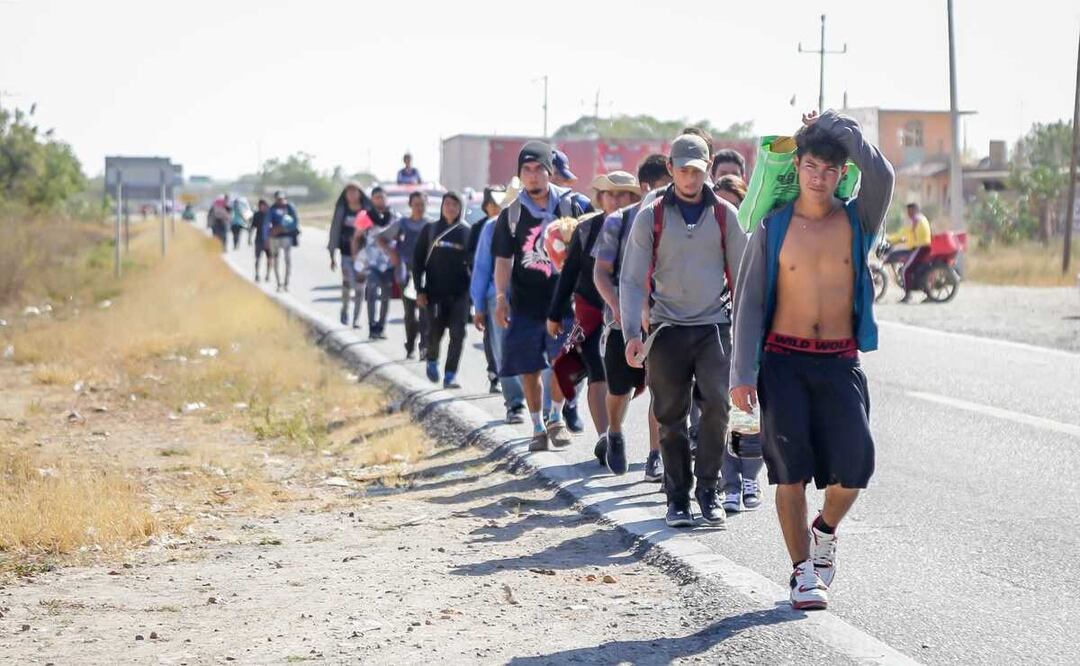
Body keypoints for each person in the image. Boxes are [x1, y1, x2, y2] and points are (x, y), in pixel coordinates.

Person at [729, 110, 895, 611]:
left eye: (830, 169)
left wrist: (841, 127)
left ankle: (824, 530)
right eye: (811, 166)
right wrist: (742, 373)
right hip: (784, 361)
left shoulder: (857, 219)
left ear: (842, 173)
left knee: (856, 466)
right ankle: (803, 572)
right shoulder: (774, 227)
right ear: (796, 167)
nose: (819, 177)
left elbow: (882, 176)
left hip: (839, 361)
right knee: (789, 474)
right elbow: (751, 299)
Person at [620, 134, 749, 528]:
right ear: (672, 169)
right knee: (670, 416)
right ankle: (677, 498)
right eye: (684, 169)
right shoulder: (652, 215)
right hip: (667, 329)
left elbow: (743, 279)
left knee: (717, 408)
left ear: (708, 169)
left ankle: (707, 492)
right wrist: (631, 332)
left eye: (698, 170)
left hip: (713, 327)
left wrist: (747, 337)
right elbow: (630, 279)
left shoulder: (726, 214)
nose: (691, 177)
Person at [492, 141, 591, 451]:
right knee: (529, 367)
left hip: (564, 304)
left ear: (550, 172)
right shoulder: (511, 214)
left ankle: (556, 416)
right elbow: (504, 260)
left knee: (567, 362)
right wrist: (500, 297)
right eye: (527, 170)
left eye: (539, 170)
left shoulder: (574, 206)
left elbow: (595, 244)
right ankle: (536, 427)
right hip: (524, 304)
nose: (533, 176)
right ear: (520, 174)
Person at [547, 172, 640, 467]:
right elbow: (570, 272)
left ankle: (614, 431)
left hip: (630, 312)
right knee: (596, 370)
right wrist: (554, 313)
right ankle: (604, 437)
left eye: (623, 194)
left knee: (624, 379)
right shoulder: (586, 229)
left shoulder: (642, 225)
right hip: (591, 312)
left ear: (634, 198)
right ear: (599, 197)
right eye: (609, 193)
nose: (616, 199)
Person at [593, 154, 670, 481]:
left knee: (660, 388)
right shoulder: (619, 222)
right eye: (662, 189)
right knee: (620, 389)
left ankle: (656, 455)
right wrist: (619, 307)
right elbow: (601, 273)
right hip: (620, 321)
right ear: (646, 188)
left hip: (660, 318)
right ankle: (614, 431)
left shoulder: (677, 221)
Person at [707, 174, 763, 513]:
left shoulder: (758, 237)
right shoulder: (708, 236)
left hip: (749, 334)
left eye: (734, 202)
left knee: (749, 412)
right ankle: (727, 482)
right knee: (719, 411)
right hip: (713, 330)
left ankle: (749, 476)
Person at [471, 187, 528, 419]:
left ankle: (544, 407)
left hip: (530, 297)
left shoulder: (538, 224)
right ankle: (515, 403)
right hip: (498, 297)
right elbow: (482, 266)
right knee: (503, 351)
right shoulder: (492, 226)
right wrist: (479, 304)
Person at [413, 192, 472, 389]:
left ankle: (450, 374)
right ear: (441, 206)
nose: (450, 208)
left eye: (455, 205)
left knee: (458, 334)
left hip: (460, 294)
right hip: (434, 293)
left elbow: (474, 264)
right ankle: (431, 359)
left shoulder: (466, 232)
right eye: (447, 204)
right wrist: (419, 290)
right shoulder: (430, 230)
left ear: (460, 208)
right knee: (434, 332)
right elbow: (417, 261)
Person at [379, 192, 431, 356]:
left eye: (422, 204)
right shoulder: (402, 224)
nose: (419, 208)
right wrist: (393, 254)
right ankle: (410, 345)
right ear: (410, 205)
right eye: (416, 204)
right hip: (406, 272)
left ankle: (424, 346)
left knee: (425, 312)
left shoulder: (430, 225)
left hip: (425, 273)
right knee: (410, 313)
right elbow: (381, 238)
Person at [354, 187, 399, 339]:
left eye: (382, 197)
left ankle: (381, 326)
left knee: (386, 296)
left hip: (388, 263)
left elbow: (400, 237)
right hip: (371, 262)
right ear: (372, 199)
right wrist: (356, 259)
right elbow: (356, 238)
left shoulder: (394, 216)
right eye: (376, 197)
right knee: (371, 293)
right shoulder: (365, 216)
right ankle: (372, 327)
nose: (380, 200)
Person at [328, 182, 370, 326]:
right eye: (348, 192)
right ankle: (344, 311)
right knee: (347, 285)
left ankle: (356, 318)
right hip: (345, 253)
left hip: (363, 255)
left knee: (360, 287)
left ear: (360, 193)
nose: (351, 195)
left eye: (354, 192)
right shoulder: (342, 209)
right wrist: (332, 254)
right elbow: (335, 230)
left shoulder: (367, 209)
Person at [886, 202, 933, 302]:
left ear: (915, 210)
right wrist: (901, 239)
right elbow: (909, 234)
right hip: (919, 247)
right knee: (907, 265)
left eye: (910, 210)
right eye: (908, 211)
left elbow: (903, 232)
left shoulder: (915, 219)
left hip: (921, 248)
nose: (908, 213)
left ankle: (908, 295)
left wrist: (889, 239)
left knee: (906, 270)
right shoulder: (920, 218)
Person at [267, 191, 300, 292]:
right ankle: (279, 283)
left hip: (286, 237)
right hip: (274, 238)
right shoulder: (272, 209)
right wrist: (271, 231)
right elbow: (267, 222)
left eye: (282, 199)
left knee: (287, 261)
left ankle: (286, 283)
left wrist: (283, 228)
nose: (280, 201)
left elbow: (295, 222)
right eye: (278, 199)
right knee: (276, 260)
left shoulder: (290, 208)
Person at [250, 199, 271, 282]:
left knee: (270, 258)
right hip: (259, 239)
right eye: (260, 206)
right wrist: (249, 237)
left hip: (269, 240)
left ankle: (268, 274)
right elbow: (252, 226)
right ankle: (257, 274)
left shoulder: (270, 215)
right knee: (258, 258)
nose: (261, 207)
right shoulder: (257, 215)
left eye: (263, 205)